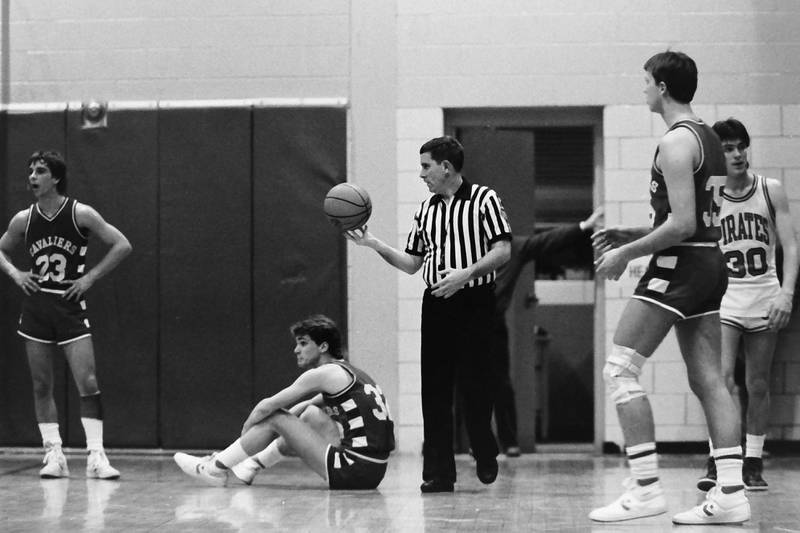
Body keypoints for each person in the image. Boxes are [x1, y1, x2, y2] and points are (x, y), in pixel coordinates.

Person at [589, 51, 750, 525]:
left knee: (619, 371)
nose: (641, 89)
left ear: (661, 86)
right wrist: (632, 232)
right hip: (711, 263)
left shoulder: (674, 143)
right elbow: (695, 218)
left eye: (644, 82)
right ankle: (732, 495)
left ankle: (645, 490)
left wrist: (625, 254)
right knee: (710, 381)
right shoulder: (709, 139)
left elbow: (681, 225)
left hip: (681, 264)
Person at [346, 136, 512, 493]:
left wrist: (465, 273)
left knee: (476, 386)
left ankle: (484, 448)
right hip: (437, 303)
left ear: (446, 167)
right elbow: (412, 263)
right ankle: (439, 472)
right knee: (434, 391)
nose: (421, 174)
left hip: (475, 301)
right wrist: (374, 244)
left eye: (426, 166)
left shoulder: (485, 199)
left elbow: (503, 250)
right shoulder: (425, 210)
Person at [0, 150, 132, 479]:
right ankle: (54, 455)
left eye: (40, 171)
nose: (32, 176)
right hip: (36, 308)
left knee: (88, 382)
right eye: (30, 170)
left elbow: (122, 244)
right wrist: (17, 274)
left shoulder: (80, 213)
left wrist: (89, 277)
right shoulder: (23, 219)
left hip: (70, 307)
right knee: (42, 384)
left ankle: (97, 456)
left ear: (55, 178)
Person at [174, 314, 395, 490]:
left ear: (323, 347)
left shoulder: (324, 374)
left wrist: (246, 434)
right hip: (373, 472)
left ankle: (215, 468)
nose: (296, 349)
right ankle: (248, 467)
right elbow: (308, 406)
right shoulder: (350, 372)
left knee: (276, 417)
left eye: (303, 343)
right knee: (309, 415)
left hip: (352, 470)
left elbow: (266, 406)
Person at [695, 118, 798, 492]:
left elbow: (792, 245)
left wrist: (786, 293)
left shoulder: (770, 190)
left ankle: (753, 461)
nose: (738, 154)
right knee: (721, 381)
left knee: (757, 382)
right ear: (717, 154)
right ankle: (719, 458)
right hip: (725, 298)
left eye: (742, 146)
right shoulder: (710, 194)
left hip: (764, 294)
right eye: (728, 148)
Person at [492, 206, 604, 456]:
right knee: (464, 383)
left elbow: (546, 242)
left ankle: (508, 441)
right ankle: (470, 442)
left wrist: (584, 227)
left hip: (492, 323)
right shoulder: (466, 249)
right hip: (463, 321)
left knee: (500, 383)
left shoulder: (514, 247)